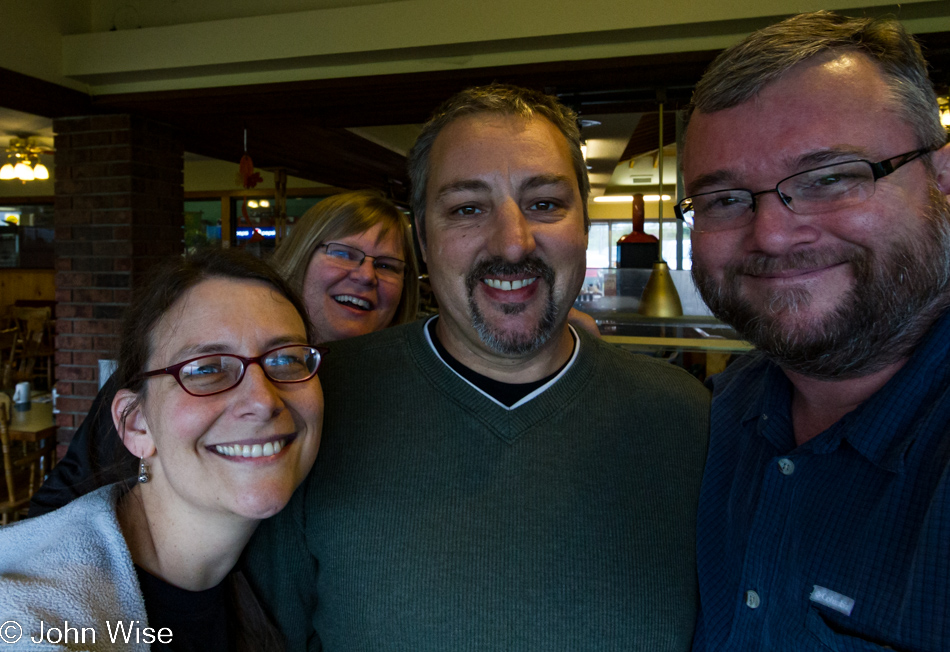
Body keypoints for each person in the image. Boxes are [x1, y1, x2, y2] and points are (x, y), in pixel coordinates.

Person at [244, 84, 709, 651]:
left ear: (583, 224)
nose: (512, 244)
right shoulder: (315, 404)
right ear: (422, 236)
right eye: (467, 208)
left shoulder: (688, 419)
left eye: (544, 204)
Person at [678, 12, 950, 650]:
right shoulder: (709, 421)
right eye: (724, 199)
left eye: (830, 178)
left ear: (942, 180)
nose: (771, 234)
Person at [0, 249, 325, 651]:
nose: (263, 400)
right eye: (207, 368)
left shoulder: (275, 582)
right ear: (136, 424)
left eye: (287, 360)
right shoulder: (32, 622)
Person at [28, 190, 419, 517]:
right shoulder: (168, 371)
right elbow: (63, 497)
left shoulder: (399, 396)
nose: (366, 276)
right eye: (344, 253)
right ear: (301, 255)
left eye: (387, 266)